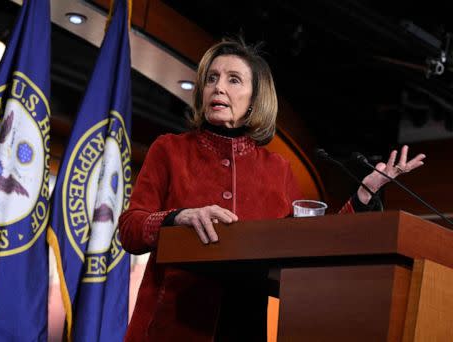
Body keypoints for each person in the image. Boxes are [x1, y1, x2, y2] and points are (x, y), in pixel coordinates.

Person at [117, 38, 426, 341]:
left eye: (233, 79)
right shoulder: (169, 150)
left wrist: (364, 194)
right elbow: (129, 229)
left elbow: (310, 243)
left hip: (245, 324)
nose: (218, 87)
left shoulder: (277, 168)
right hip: (171, 326)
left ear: (255, 100)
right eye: (212, 78)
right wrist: (177, 217)